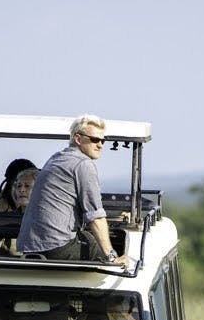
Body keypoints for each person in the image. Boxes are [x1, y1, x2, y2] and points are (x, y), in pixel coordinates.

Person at [16, 114, 130, 269]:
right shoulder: (83, 164)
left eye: (103, 140)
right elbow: (94, 215)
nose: (100, 145)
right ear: (78, 139)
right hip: (56, 245)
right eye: (95, 139)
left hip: (28, 245)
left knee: (88, 238)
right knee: (109, 255)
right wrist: (111, 256)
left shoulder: (57, 158)